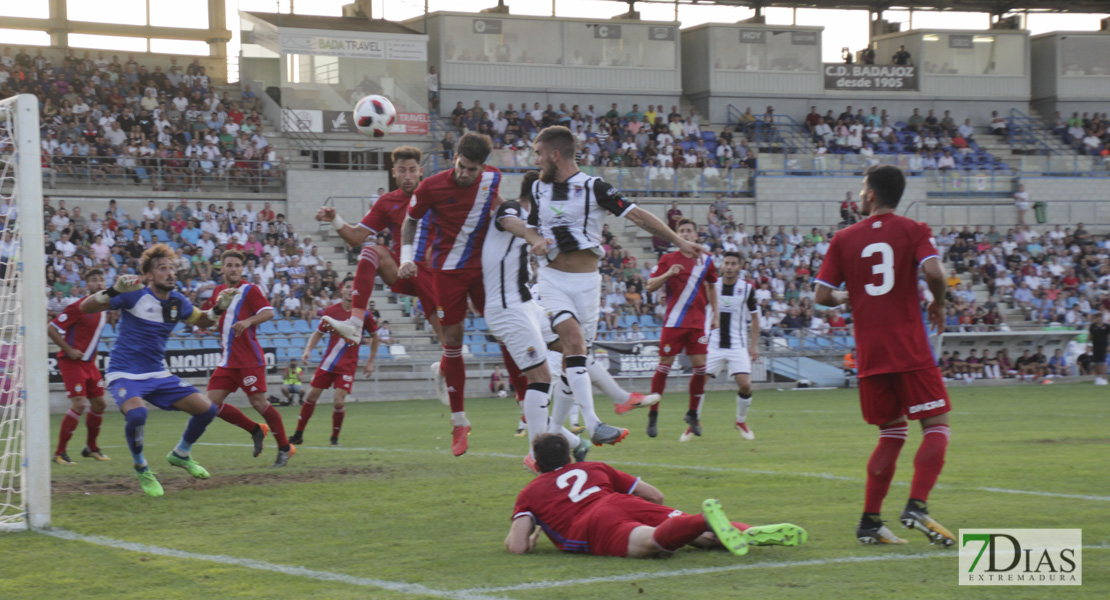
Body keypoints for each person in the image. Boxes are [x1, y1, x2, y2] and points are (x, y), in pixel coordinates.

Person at [527, 126, 701, 448]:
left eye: (538, 153)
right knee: (574, 342)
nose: (535, 160)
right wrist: (534, 240)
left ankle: (555, 433)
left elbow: (637, 216)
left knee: (573, 359)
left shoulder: (594, 188)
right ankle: (593, 425)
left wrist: (678, 241)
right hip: (551, 280)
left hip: (588, 284)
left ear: (555, 154)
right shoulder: (539, 188)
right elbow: (532, 227)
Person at [814, 165, 955, 546]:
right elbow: (935, 273)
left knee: (892, 433)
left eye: (862, 189)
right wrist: (938, 305)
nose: (859, 196)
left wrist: (849, 295)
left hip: (871, 355)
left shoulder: (844, 238)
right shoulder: (915, 230)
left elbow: (822, 296)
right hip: (909, 348)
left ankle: (870, 523)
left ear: (872, 194)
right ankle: (916, 505)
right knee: (937, 425)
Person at [484, 172, 651, 470]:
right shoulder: (515, 209)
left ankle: (586, 430)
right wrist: (536, 236)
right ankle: (558, 442)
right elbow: (508, 220)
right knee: (553, 370)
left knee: (573, 352)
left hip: (526, 301)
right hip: (514, 306)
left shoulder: (537, 217)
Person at [79, 244, 236, 497]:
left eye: (172, 268)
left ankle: (181, 454)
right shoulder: (133, 294)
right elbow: (85, 308)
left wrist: (219, 307)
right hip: (124, 372)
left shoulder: (178, 302)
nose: (170, 273)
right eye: (163, 268)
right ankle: (141, 466)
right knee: (138, 415)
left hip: (157, 374)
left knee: (208, 410)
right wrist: (112, 290)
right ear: (149, 276)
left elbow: (203, 320)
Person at [506, 433, 807, 557]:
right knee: (701, 537)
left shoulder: (531, 491)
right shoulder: (595, 466)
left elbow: (517, 546)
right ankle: (749, 531)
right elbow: (656, 496)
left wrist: (531, 539)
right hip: (620, 500)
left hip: (595, 521)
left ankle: (703, 520)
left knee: (651, 542)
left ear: (537, 462)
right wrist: (643, 511)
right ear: (570, 456)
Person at [396, 133, 500, 456]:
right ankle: (459, 422)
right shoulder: (431, 187)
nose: (465, 174)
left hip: (482, 270)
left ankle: (528, 408)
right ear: (454, 157)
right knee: (453, 340)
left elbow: (496, 209)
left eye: (472, 170)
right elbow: (409, 223)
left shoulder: (493, 179)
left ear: (482, 167)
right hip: (447, 273)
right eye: (461, 166)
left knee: (503, 328)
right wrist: (406, 259)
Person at [318, 146, 442, 351]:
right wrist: (335, 220)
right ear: (394, 173)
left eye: (412, 169)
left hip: (434, 275)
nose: (408, 175)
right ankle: (356, 323)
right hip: (402, 270)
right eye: (402, 170)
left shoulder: (435, 196)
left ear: (421, 171)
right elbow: (356, 238)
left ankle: (444, 369)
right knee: (370, 251)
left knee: (451, 344)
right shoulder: (387, 202)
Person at [202, 250, 295, 467]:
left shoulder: (249, 290)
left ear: (242, 269)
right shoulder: (218, 291)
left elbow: (269, 312)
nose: (233, 269)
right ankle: (255, 429)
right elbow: (207, 317)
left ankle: (284, 448)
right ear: (222, 268)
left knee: (259, 403)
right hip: (227, 362)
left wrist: (249, 321)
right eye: (229, 265)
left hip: (249, 361)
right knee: (209, 406)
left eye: (237, 265)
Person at [644, 218, 719, 440]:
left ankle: (693, 413)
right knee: (664, 368)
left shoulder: (706, 261)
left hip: (697, 324)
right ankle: (653, 414)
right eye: (682, 231)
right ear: (676, 236)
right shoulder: (667, 259)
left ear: (696, 236)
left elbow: (712, 286)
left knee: (701, 369)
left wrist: (715, 314)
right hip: (674, 323)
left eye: (689, 231)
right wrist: (668, 274)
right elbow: (650, 285)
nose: (686, 234)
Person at [289, 278, 378, 446]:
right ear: (341, 289)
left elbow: (375, 336)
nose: (352, 290)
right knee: (311, 396)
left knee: (338, 401)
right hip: (328, 363)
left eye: (355, 287)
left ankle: (334, 438)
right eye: (348, 287)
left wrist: (370, 361)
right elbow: (318, 333)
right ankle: (298, 434)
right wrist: (308, 350)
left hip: (347, 366)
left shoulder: (364, 313)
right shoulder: (331, 311)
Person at [48, 269, 111, 464]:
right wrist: (69, 349)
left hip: (89, 363)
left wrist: (94, 356)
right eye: (94, 280)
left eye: (102, 280)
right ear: (86, 285)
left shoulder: (103, 309)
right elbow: (51, 328)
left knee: (100, 404)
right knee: (79, 403)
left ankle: (91, 448)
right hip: (71, 361)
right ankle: (60, 453)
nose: (99, 284)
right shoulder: (79, 307)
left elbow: (92, 336)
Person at [703, 252, 760, 441]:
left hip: (737, 344)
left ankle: (741, 421)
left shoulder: (747, 289)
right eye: (726, 263)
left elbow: (754, 317)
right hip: (714, 343)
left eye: (733, 264)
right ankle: (694, 421)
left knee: (745, 384)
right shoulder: (712, 286)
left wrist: (754, 345)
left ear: (740, 267)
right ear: (722, 265)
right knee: (697, 383)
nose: (729, 267)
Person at [1088, 312, 1108, 385]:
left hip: (1103, 346)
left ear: (1102, 318)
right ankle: (1097, 377)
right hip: (1095, 346)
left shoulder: (1106, 326)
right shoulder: (1093, 326)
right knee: (1096, 362)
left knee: (1102, 362)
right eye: (1097, 317)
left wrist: (1109, 345)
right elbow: (1090, 335)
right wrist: (1087, 344)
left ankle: (1104, 377)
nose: (1098, 319)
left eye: (1100, 317)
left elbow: (1109, 336)